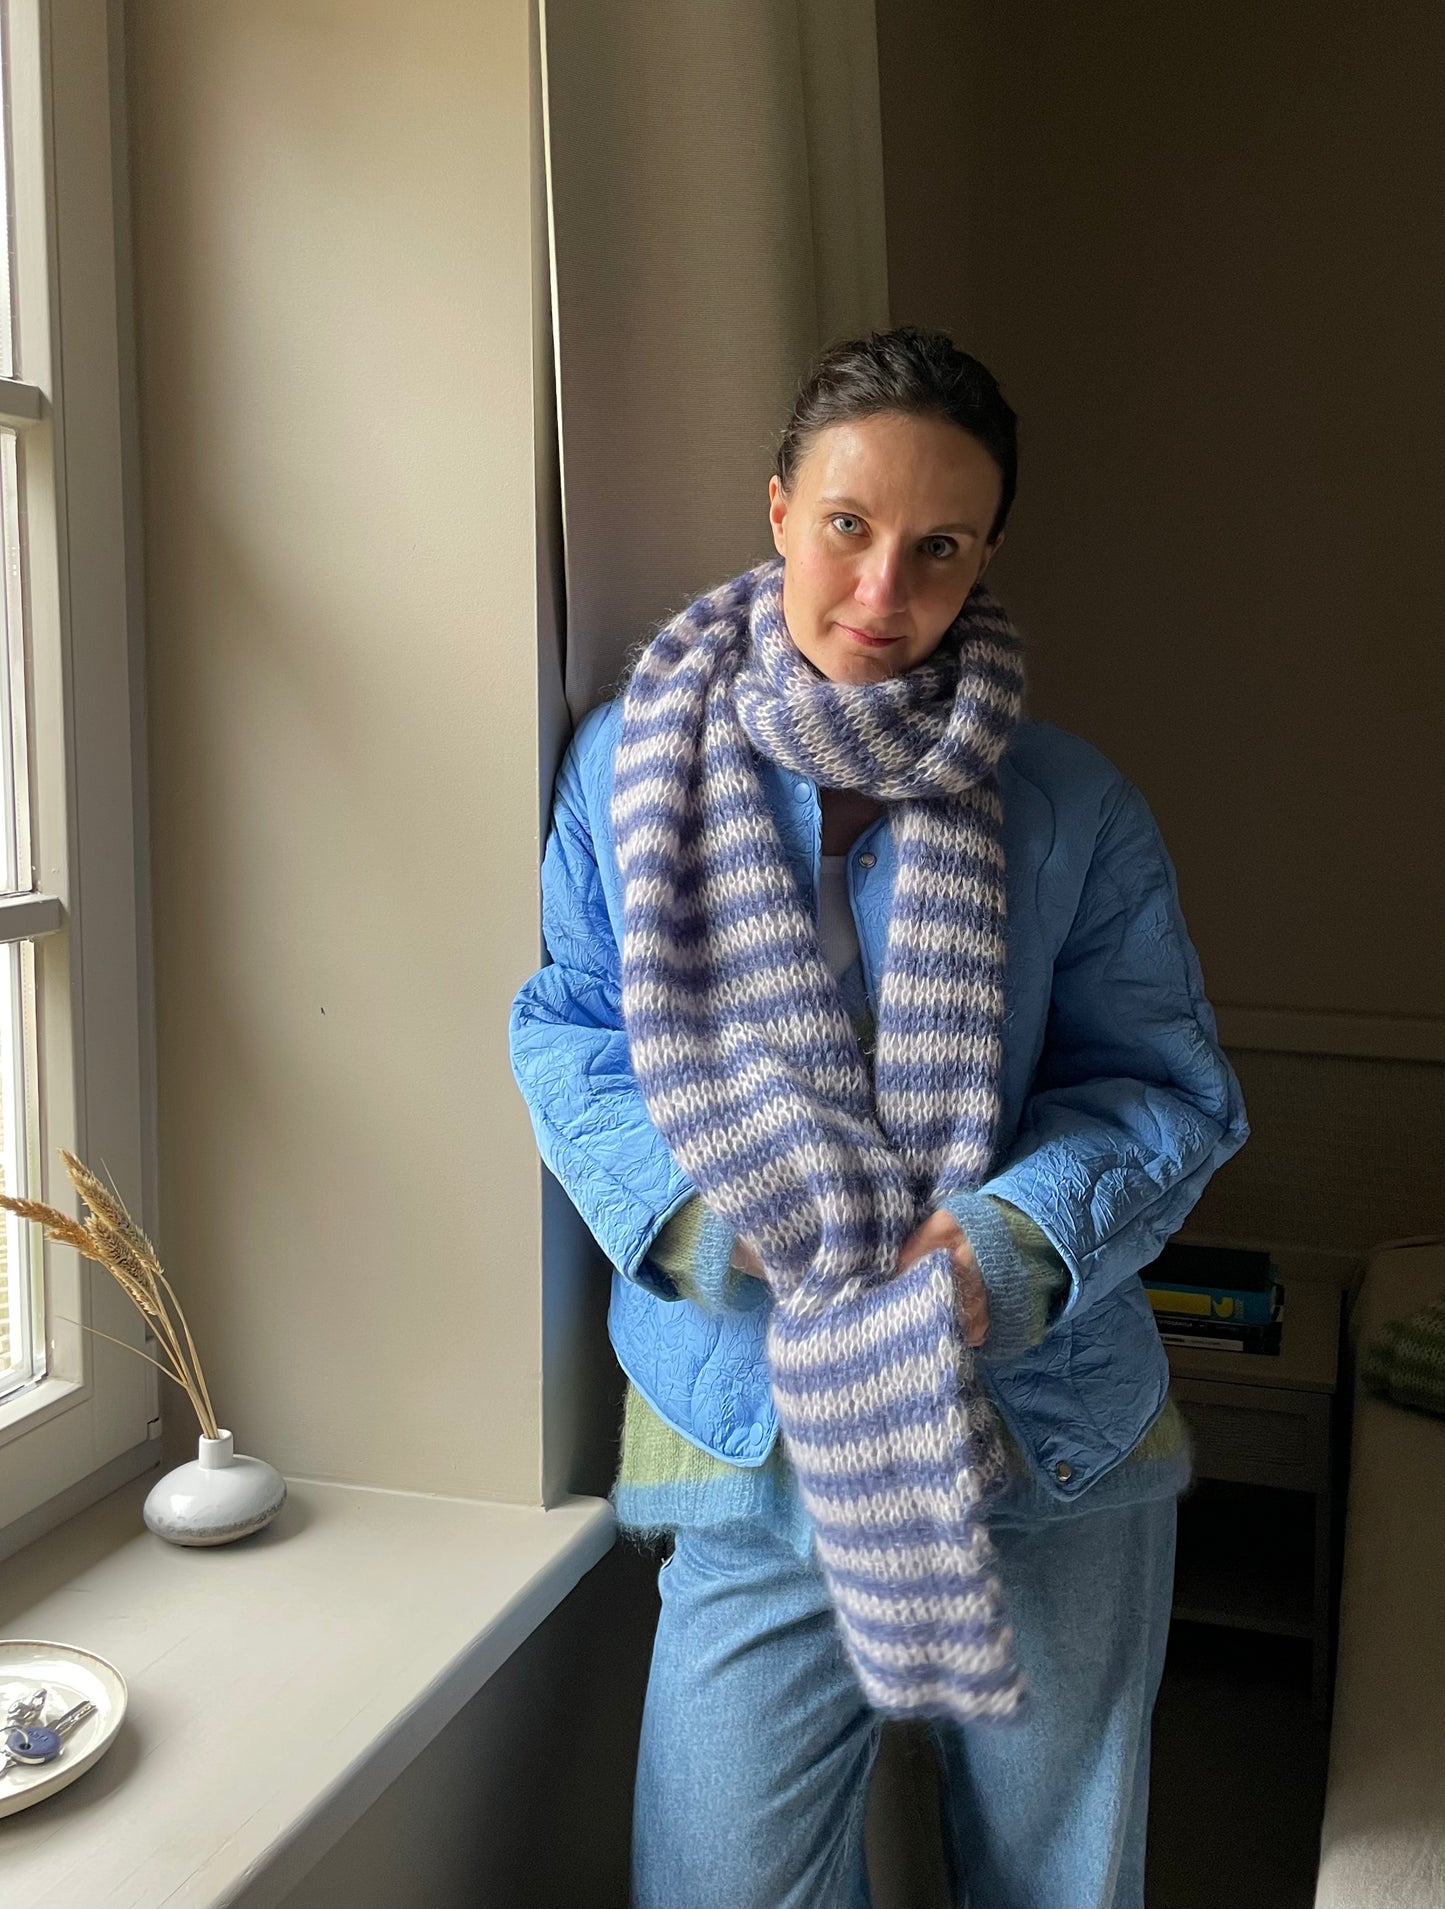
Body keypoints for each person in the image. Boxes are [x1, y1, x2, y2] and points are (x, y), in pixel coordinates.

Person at [510, 328, 1248, 1909]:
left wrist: (1005, 1244)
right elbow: (572, 1030)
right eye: (847, 524)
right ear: (779, 506)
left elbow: (1159, 1087)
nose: (880, 588)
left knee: (1059, 1884)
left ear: (985, 558)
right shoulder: (629, 765)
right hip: (752, 1423)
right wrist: (714, 1210)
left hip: (1042, 1432)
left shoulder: (1070, 802)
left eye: (937, 547)